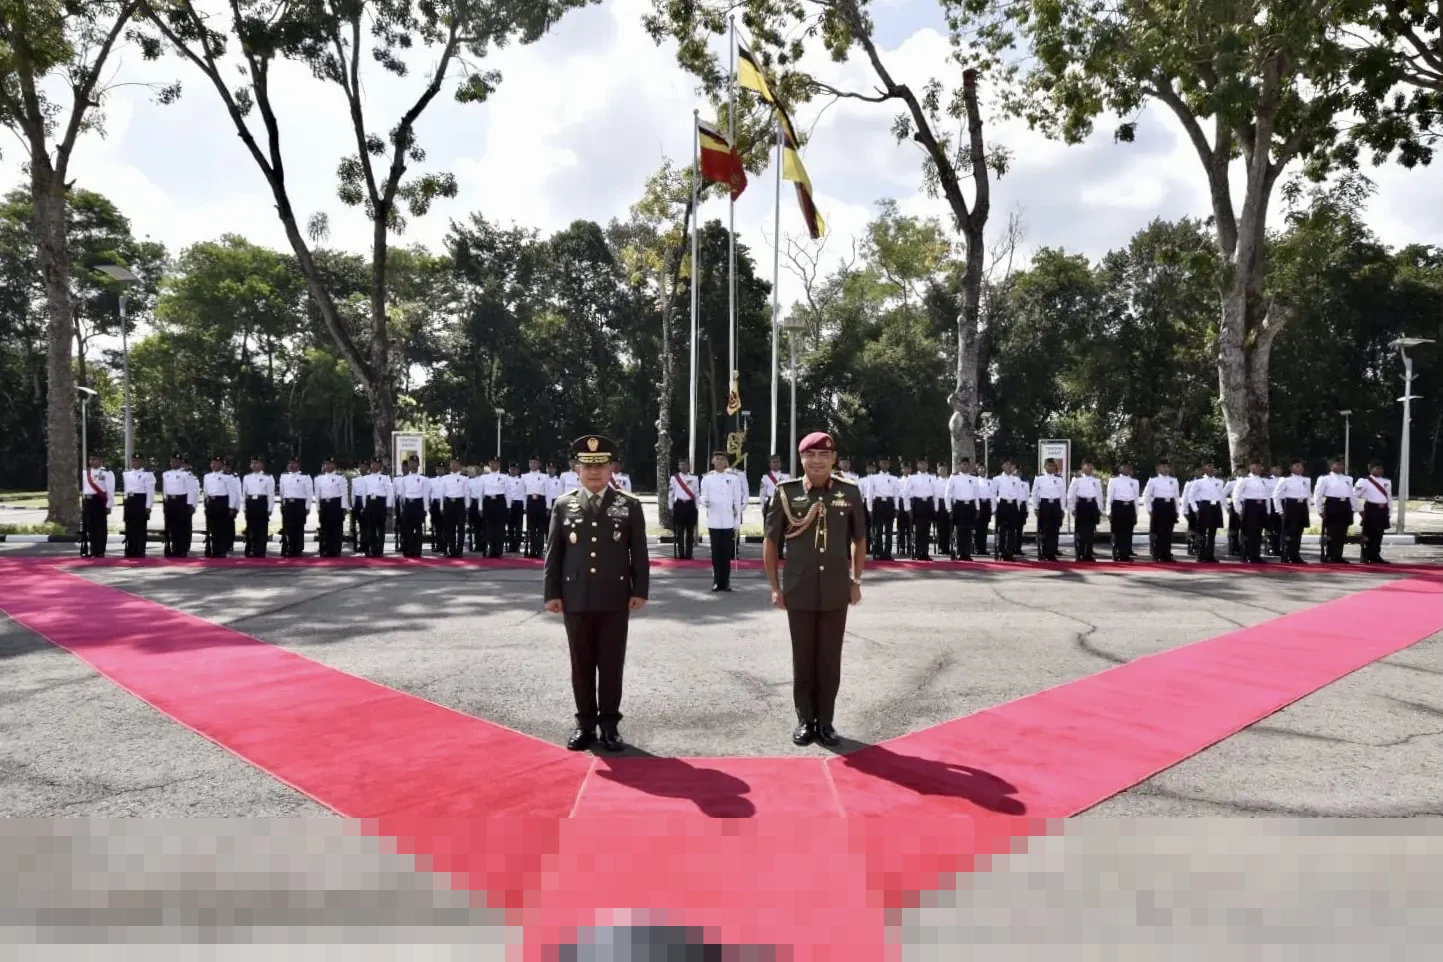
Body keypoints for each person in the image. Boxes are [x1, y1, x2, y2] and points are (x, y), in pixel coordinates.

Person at [543, 434, 648, 753]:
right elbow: (554, 554)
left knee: (611, 664)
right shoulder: (564, 504)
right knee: (582, 664)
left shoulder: (629, 505)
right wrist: (551, 592)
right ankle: (585, 724)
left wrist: (640, 589)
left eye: (600, 465)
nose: (594, 472)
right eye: (587, 466)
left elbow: (639, 553)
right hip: (575, 597)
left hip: (615, 597)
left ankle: (610, 725)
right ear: (577, 468)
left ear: (611, 468)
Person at [763, 432, 867, 748]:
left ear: (834, 458)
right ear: (802, 459)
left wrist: (856, 580)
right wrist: (775, 587)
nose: (818, 461)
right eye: (811, 455)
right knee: (803, 658)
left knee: (829, 660)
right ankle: (805, 720)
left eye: (824, 455)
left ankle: (826, 721)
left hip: (836, 588)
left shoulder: (849, 492)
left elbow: (859, 539)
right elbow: (771, 541)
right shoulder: (786, 492)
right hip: (799, 588)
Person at [700, 452, 740, 590]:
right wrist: (704, 501)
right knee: (716, 553)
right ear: (713, 461)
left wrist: (737, 521)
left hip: (728, 520)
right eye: (717, 459)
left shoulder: (733, 479)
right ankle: (717, 581)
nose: (719, 461)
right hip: (714, 520)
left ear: (726, 462)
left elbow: (737, 501)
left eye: (722, 459)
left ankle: (726, 581)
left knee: (727, 553)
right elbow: (702, 496)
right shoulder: (707, 479)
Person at [1313, 458, 1354, 564]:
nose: (1340, 466)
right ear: (1331, 466)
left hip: (1345, 505)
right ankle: (1330, 555)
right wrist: (1319, 509)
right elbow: (1317, 495)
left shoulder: (1348, 479)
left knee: (1342, 532)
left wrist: (1355, 508)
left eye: (1342, 464)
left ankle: (1338, 555)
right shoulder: (1325, 478)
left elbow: (1352, 495)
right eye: (1338, 464)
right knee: (1332, 532)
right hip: (1333, 505)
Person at [1272, 460, 1311, 564]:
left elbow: (1308, 495)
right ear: (1291, 468)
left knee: (1299, 532)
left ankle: (1295, 555)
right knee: (1290, 532)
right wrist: (1280, 510)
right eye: (1297, 466)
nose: (1300, 468)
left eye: (1301, 466)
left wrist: (1307, 510)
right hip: (1291, 506)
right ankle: (1287, 555)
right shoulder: (1285, 480)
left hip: (1302, 506)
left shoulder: (1306, 480)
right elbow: (1276, 495)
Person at [1231, 461, 1271, 564]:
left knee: (1258, 533)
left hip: (1261, 507)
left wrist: (1268, 510)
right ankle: (1247, 555)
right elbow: (1236, 496)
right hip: (1250, 507)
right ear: (1250, 467)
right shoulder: (1244, 480)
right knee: (1248, 533)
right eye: (1255, 466)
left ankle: (1256, 555)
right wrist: (1239, 510)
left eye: (1259, 466)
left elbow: (1267, 496)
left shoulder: (1263, 481)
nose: (1258, 468)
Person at [1354, 462, 1393, 564]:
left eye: (1381, 468)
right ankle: (1366, 556)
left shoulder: (1387, 481)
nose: (1380, 470)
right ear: (1371, 470)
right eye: (1377, 468)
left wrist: (1390, 511)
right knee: (1368, 534)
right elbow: (1354, 495)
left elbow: (1389, 497)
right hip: (1371, 508)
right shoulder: (1364, 481)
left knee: (1379, 534)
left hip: (1383, 509)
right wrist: (1359, 509)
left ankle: (1375, 555)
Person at [1186, 464, 1226, 563]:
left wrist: (1226, 507)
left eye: (1213, 468)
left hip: (1215, 507)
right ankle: (1200, 554)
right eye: (1209, 468)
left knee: (1212, 533)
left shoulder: (1219, 482)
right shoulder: (1199, 482)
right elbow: (1191, 496)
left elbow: (1221, 495)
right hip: (1204, 506)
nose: (1211, 470)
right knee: (1201, 532)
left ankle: (1210, 555)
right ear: (1204, 470)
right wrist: (1195, 509)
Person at [1142, 460, 1180, 562]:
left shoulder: (1174, 480)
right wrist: (1149, 509)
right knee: (1158, 531)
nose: (1165, 469)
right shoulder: (1153, 480)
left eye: (1167, 467)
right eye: (1163, 467)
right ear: (1158, 469)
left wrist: (1177, 510)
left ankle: (1166, 554)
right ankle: (1156, 554)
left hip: (1170, 506)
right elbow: (1146, 496)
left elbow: (1176, 496)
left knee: (1168, 532)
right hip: (1159, 506)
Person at [1030, 458, 1066, 562]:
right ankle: (1044, 552)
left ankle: (1052, 553)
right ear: (1044, 466)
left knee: (1054, 529)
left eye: (1053, 465)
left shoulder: (1059, 479)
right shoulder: (1039, 478)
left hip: (1055, 505)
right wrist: (1036, 507)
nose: (1051, 467)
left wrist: (1062, 509)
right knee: (1044, 529)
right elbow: (1034, 494)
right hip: (1044, 505)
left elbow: (1063, 495)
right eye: (1049, 465)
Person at [1067, 461, 1103, 562]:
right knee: (1080, 531)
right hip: (1081, 505)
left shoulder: (1096, 480)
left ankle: (1088, 554)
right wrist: (1072, 508)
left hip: (1092, 505)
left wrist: (1100, 509)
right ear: (1082, 467)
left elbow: (1099, 496)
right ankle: (1080, 553)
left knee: (1090, 531)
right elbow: (1070, 495)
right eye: (1087, 466)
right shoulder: (1076, 480)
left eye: (1091, 466)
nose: (1090, 468)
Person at [992, 460, 1028, 561]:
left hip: (1013, 505)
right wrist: (994, 508)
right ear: (1002, 466)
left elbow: (1019, 494)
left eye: (1010, 464)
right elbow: (993, 494)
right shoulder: (997, 479)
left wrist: (1018, 508)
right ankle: (1001, 551)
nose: (1008, 466)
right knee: (1002, 530)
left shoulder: (1016, 479)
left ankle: (1009, 552)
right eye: (1006, 464)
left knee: (1012, 530)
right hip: (1003, 504)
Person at [80, 454, 115, 558]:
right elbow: (84, 488)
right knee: (90, 527)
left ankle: (100, 550)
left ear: (100, 460)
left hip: (99, 501)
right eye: (91, 459)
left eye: (94, 459)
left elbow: (110, 490)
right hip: (88, 501)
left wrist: (109, 505)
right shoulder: (86, 472)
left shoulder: (107, 473)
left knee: (100, 527)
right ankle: (93, 550)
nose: (92, 461)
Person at [945, 459, 980, 561]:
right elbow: (948, 494)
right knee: (960, 530)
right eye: (963, 464)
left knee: (968, 531)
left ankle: (967, 553)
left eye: (967, 465)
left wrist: (978, 508)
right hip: (959, 506)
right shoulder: (954, 477)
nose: (966, 466)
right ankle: (960, 552)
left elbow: (976, 495)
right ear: (959, 465)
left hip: (970, 506)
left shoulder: (974, 478)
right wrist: (949, 508)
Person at [433, 458, 469, 558]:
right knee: (450, 528)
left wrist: (467, 506)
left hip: (460, 503)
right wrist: (441, 506)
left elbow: (467, 494)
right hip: (449, 503)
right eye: (452, 463)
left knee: (461, 528)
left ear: (460, 465)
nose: (453, 465)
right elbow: (442, 493)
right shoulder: (445, 478)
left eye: (456, 463)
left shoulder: (464, 479)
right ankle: (452, 550)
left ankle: (459, 550)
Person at [121, 455, 155, 558]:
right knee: (130, 526)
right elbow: (126, 489)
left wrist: (148, 506)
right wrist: (125, 500)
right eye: (134, 461)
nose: (135, 463)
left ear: (142, 462)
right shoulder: (126, 474)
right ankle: (130, 549)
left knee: (140, 527)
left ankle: (140, 550)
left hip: (141, 500)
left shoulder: (147, 474)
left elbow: (150, 491)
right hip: (130, 500)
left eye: (138, 461)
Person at [242, 458, 276, 558]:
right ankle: (250, 549)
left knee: (261, 528)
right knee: (250, 528)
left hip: (261, 503)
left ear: (262, 465)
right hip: (250, 503)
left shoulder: (268, 477)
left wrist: (270, 508)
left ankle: (260, 550)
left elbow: (271, 494)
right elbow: (244, 493)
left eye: (256, 463)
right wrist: (244, 507)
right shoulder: (247, 477)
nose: (254, 465)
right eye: (252, 463)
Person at [278, 457, 312, 557]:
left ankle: (298, 549)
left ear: (299, 465)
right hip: (288, 504)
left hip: (299, 504)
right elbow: (282, 492)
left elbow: (309, 493)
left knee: (298, 527)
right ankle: (287, 547)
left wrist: (307, 507)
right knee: (287, 527)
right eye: (290, 463)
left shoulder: (305, 477)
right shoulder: (283, 476)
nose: (292, 465)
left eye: (294, 463)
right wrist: (282, 504)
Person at [1105, 462, 1140, 562]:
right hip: (1118, 506)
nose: (1126, 469)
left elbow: (1136, 498)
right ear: (1119, 469)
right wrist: (1108, 511)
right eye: (1124, 467)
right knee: (1117, 531)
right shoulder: (1114, 481)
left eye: (1128, 467)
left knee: (1128, 531)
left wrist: (1136, 512)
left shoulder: (1134, 482)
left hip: (1129, 507)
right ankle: (1116, 553)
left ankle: (1125, 554)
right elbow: (1110, 496)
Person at [314, 457, 348, 557]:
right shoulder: (319, 478)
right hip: (324, 504)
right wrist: (318, 508)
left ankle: (336, 549)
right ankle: (325, 549)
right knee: (325, 528)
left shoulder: (340, 478)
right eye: (326, 464)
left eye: (330, 464)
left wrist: (344, 508)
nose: (328, 466)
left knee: (336, 528)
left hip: (336, 504)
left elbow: (344, 494)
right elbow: (317, 495)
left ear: (334, 465)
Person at [394, 459, 428, 557]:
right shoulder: (404, 479)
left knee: (418, 529)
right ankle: (407, 549)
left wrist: (425, 508)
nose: (412, 465)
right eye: (411, 463)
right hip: (408, 504)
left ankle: (417, 550)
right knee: (407, 529)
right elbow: (402, 494)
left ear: (418, 464)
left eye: (414, 463)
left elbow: (425, 494)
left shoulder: (423, 479)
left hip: (418, 504)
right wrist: (402, 507)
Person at [759, 456, 791, 561]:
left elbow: (789, 491)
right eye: (773, 462)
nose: (775, 464)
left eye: (777, 462)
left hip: (781, 502)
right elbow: (762, 493)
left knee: (781, 529)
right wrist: (762, 506)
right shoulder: (765, 477)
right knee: (768, 529)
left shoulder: (786, 476)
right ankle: (768, 552)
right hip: (769, 503)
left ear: (780, 463)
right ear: (770, 464)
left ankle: (779, 552)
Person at [905, 458, 936, 561]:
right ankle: (918, 552)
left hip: (929, 503)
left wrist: (935, 508)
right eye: (921, 464)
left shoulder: (932, 477)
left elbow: (935, 493)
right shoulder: (912, 477)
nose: (923, 466)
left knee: (927, 530)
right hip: (918, 504)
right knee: (919, 530)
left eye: (925, 464)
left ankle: (925, 553)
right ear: (917, 465)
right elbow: (905, 494)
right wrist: (908, 508)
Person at [867, 457, 898, 560]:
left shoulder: (894, 478)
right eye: (883, 463)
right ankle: (878, 552)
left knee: (889, 530)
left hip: (889, 503)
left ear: (889, 464)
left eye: (886, 463)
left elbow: (896, 494)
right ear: (879, 464)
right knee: (878, 530)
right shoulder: (874, 477)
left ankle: (887, 553)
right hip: (878, 503)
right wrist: (869, 508)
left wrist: (897, 507)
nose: (885, 465)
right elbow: (869, 493)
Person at [668, 458, 700, 559]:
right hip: (679, 505)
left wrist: (697, 507)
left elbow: (697, 493)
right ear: (678, 466)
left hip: (690, 505)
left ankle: (689, 554)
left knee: (690, 532)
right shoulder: (674, 478)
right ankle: (681, 553)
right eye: (681, 465)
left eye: (685, 465)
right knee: (680, 532)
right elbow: (671, 494)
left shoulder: (694, 478)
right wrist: (670, 507)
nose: (683, 467)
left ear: (688, 466)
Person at [161, 456, 192, 558]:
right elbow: (165, 489)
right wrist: (165, 500)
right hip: (170, 501)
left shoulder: (186, 474)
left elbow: (191, 490)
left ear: (180, 462)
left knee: (181, 526)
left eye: (176, 461)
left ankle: (181, 549)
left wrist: (190, 504)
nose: (173, 463)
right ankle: (172, 548)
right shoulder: (166, 474)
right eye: (172, 461)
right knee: (171, 526)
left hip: (181, 500)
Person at [202, 457, 233, 558]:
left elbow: (231, 493)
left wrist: (231, 506)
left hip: (222, 502)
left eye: (216, 463)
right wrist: (206, 502)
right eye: (212, 463)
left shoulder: (227, 477)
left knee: (221, 528)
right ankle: (213, 549)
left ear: (221, 464)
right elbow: (205, 491)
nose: (214, 465)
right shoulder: (207, 476)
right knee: (212, 527)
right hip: (211, 502)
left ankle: (221, 550)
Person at [522, 457, 550, 558]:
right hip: (530, 502)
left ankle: (539, 551)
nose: (533, 464)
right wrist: (524, 506)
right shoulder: (524, 476)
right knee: (531, 528)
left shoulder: (545, 477)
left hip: (540, 502)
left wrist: (548, 507)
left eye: (535, 462)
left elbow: (548, 493)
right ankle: (532, 550)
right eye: (531, 462)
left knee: (541, 529)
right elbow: (523, 493)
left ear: (539, 464)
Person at [932, 463, 952, 558]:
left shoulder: (950, 480)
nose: (943, 471)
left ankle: (947, 547)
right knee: (940, 528)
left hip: (949, 504)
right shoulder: (935, 481)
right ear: (938, 471)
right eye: (941, 469)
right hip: (939, 504)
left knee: (948, 528)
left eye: (945, 469)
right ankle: (941, 547)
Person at [973, 470, 993, 558]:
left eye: (984, 468)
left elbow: (992, 494)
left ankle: (983, 548)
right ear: (978, 470)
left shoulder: (989, 481)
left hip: (987, 505)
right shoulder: (975, 480)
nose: (982, 470)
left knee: (984, 528)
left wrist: (992, 507)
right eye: (980, 468)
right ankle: (977, 548)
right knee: (978, 528)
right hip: (979, 504)